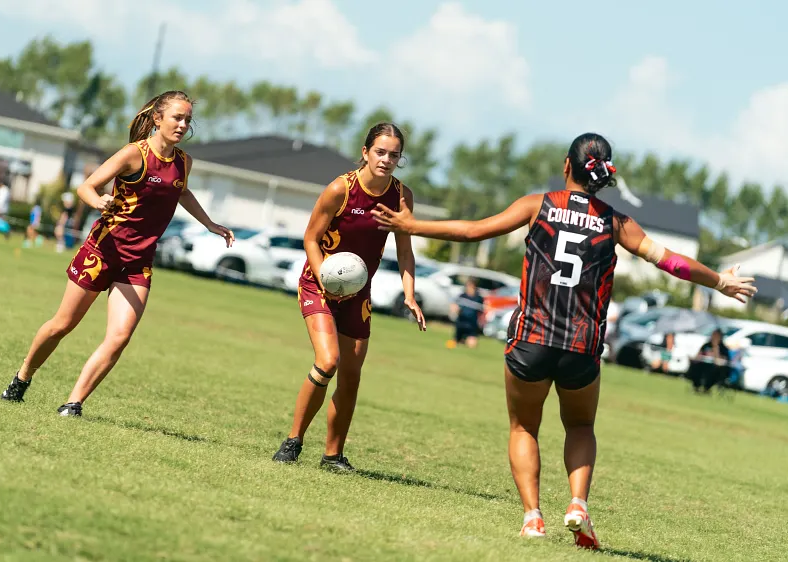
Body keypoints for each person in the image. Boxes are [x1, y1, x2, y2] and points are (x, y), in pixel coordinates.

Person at [373, 132, 756, 549]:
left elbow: (472, 231)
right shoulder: (616, 222)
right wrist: (719, 281)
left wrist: (411, 225)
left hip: (531, 339)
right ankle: (577, 504)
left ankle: (533, 518)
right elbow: (670, 262)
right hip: (581, 346)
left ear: (566, 165)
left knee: (524, 426)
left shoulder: (537, 205)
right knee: (580, 425)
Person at [0, 90, 235, 416]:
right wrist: (98, 201)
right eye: (177, 118)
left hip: (138, 262)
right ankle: (22, 377)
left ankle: (73, 403)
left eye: (188, 120)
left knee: (120, 336)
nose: (183, 125)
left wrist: (209, 223)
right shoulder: (133, 154)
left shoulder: (184, 162)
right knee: (62, 325)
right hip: (102, 251)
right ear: (158, 119)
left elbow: (181, 191)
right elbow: (86, 186)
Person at [272, 122, 427, 472]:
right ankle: (293, 441)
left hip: (358, 294)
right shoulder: (340, 189)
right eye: (380, 152)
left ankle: (333, 456)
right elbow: (311, 238)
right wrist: (324, 279)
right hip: (318, 286)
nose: (386, 160)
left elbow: (405, 251)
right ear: (365, 152)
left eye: (394, 155)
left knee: (351, 376)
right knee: (328, 361)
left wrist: (410, 295)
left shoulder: (402, 197)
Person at [690, 327, 731, 392]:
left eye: (716, 336)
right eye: (713, 335)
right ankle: (696, 386)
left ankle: (707, 388)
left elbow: (722, 360)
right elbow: (698, 355)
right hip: (703, 365)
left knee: (715, 371)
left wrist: (715, 347)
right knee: (695, 367)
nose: (714, 337)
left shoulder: (723, 348)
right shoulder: (706, 345)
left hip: (715, 367)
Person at [449, 278, 484, 349]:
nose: (468, 288)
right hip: (461, 323)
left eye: (470, 286)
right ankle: (461, 340)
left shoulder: (478, 298)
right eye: (467, 286)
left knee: (472, 345)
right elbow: (454, 306)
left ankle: (465, 340)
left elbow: (481, 311)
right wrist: (455, 310)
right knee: (454, 343)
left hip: (472, 324)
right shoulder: (462, 296)